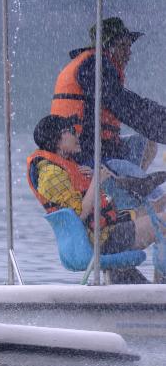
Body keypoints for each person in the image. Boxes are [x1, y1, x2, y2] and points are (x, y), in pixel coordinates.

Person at [26, 115, 166, 269]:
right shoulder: (51, 175)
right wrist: (96, 180)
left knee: (158, 206)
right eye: (71, 131)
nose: (76, 134)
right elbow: (79, 215)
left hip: (107, 227)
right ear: (57, 139)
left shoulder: (65, 166)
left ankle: (149, 282)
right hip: (102, 239)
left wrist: (93, 176)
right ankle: (161, 282)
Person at [51, 17, 166, 168]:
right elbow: (125, 106)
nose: (129, 53)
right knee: (150, 189)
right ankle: (129, 186)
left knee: (146, 145)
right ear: (107, 47)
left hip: (102, 148)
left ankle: (128, 186)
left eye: (129, 46)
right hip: (85, 155)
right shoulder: (94, 66)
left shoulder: (93, 64)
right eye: (123, 46)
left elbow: (127, 102)